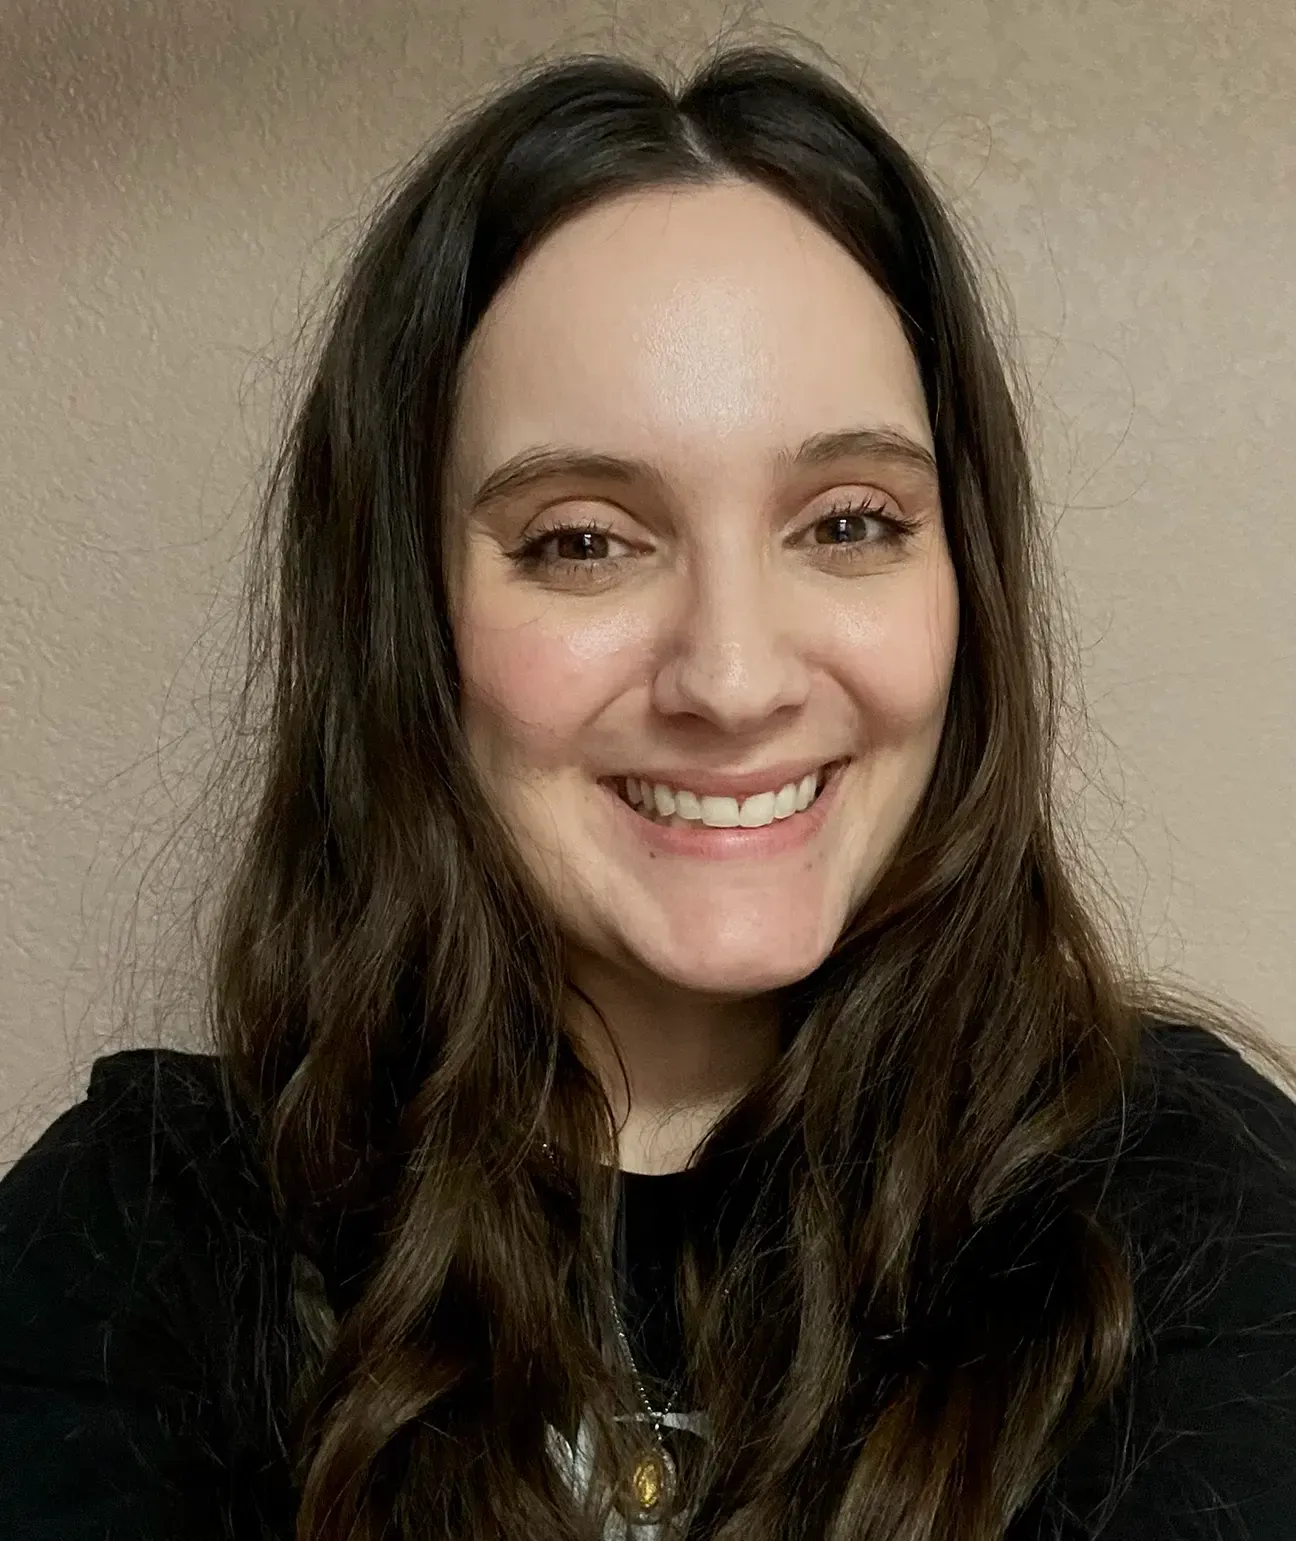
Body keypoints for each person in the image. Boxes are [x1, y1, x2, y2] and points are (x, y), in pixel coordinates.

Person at [1, 41, 1294, 1541]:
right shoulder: (142, 1243)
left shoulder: (1189, 1217)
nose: (733, 680)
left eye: (849, 522)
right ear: (405, 621)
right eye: (583, 541)